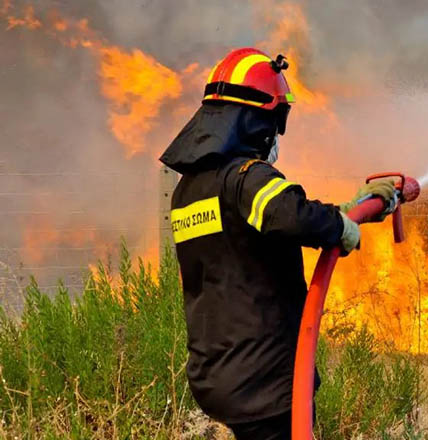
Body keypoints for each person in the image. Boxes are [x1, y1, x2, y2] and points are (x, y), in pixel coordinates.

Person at [158, 48, 395, 439]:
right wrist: (341, 227)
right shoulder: (246, 177)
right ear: (256, 121)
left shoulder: (189, 191)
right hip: (264, 379)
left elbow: (269, 224)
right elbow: (292, 215)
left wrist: (346, 212)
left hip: (218, 373)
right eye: (277, 119)